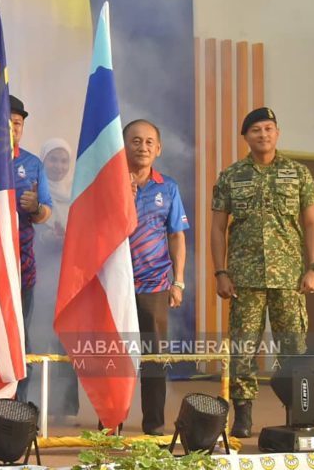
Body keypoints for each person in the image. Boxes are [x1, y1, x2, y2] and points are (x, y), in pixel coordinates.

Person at [211, 107, 314, 438]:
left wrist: (313, 267)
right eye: (256, 129)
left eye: (269, 128)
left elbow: (312, 222)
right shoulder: (231, 176)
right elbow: (218, 229)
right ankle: (243, 415)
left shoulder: (298, 173)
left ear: (277, 133)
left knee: (293, 347)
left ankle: (297, 412)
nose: (263, 134)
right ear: (245, 136)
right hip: (244, 279)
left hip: (289, 277)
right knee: (243, 347)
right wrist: (221, 272)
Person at [122, 119, 190, 435]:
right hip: (116, 285)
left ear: (158, 148)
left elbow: (176, 236)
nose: (143, 147)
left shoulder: (168, 187)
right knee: (115, 358)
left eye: (150, 141)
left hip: (155, 285)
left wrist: (178, 282)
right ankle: (110, 426)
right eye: (136, 141)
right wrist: (122, 192)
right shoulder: (109, 184)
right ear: (124, 146)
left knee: (154, 358)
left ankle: (154, 426)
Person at [8, 95, 53, 403]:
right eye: (5, 123)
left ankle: (19, 406)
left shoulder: (32, 164)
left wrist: (35, 207)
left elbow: (46, 212)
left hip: (21, 269)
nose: (12, 129)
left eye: (18, 123)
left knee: (19, 338)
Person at [33, 137, 80, 421]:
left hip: (70, 280)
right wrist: (46, 237)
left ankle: (65, 409)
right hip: (39, 279)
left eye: (64, 160)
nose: (59, 165)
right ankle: (33, 403)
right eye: (53, 159)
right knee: (38, 341)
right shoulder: (34, 192)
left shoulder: (78, 194)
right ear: (43, 160)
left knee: (68, 345)